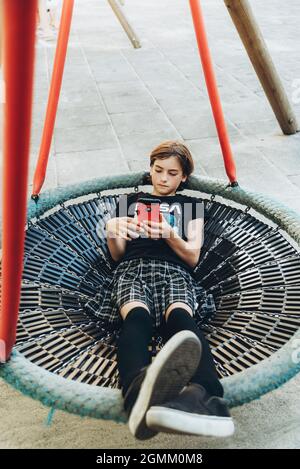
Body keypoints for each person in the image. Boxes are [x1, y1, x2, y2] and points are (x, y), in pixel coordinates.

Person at [85, 140, 234, 440]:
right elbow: (117, 255)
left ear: (183, 178)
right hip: (133, 269)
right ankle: (137, 391)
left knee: (180, 319)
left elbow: (192, 257)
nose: (163, 178)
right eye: (158, 170)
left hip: (175, 271)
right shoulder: (130, 201)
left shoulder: (191, 207)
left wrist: (169, 234)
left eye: (171, 173)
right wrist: (112, 232)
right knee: (136, 318)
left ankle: (207, 396)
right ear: (150, 169)